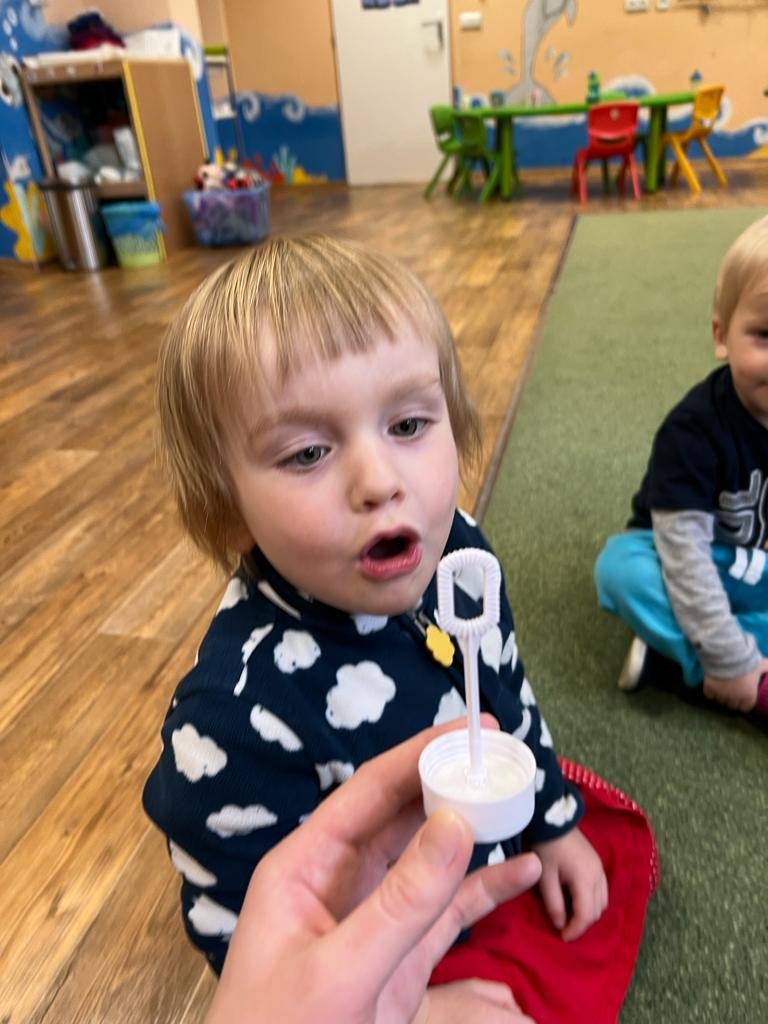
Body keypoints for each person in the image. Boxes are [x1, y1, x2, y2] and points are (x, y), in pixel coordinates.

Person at [142, 236, 608, 1009]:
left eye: (409, 424)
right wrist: (409, 1010)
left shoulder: (459, 553)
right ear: (228, 513)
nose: (380, 481)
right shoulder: (234, 717)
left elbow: (506, 688)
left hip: (482, 869)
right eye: (307, 454)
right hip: (371, 960)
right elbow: (244, 931)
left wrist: (554, 818)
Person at [205, 719, 542, 1024]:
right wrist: (418, 1014)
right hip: (389, 970)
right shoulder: (229, 726)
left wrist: (555, 817)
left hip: (483, 906)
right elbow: (255, 953)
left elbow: (512, 705)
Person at [595, 214, 768, 715]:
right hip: (689, 559)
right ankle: (737, 673)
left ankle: (669, 658)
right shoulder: (692, 431)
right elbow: (684, 555)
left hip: (753, 571)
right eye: (764, 335)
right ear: (722, 335)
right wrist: (730, 662)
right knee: (620, 571)